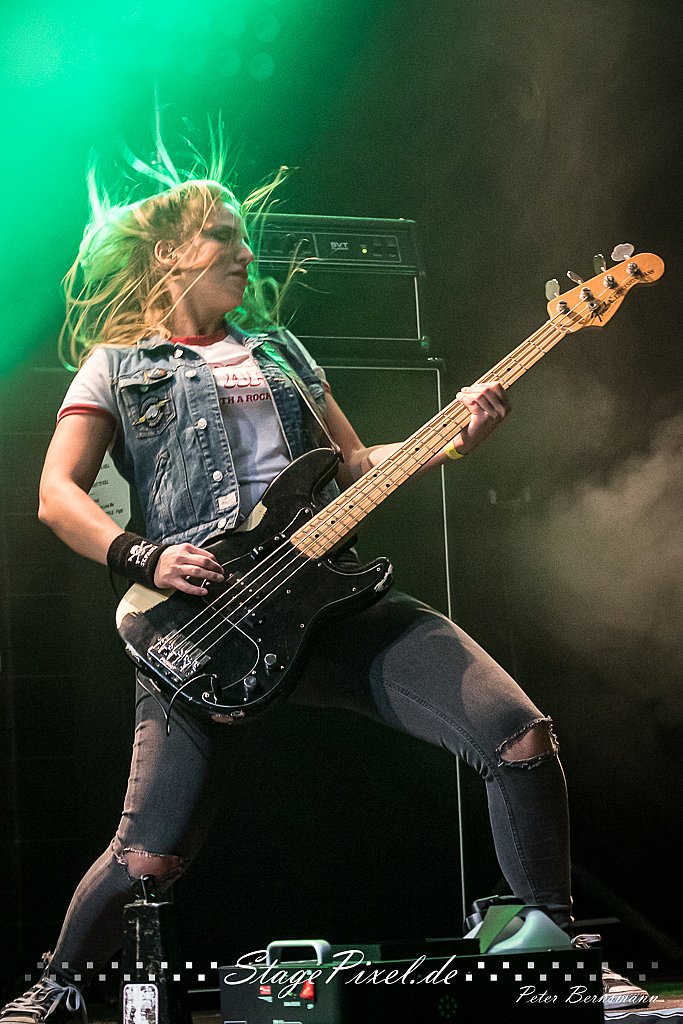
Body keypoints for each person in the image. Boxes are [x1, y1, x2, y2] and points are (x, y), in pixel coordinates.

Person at [0, 151, 645, 1022]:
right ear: (167, 253)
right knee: (147, 857)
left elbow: (352, 465)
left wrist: (452, 437)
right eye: (223, 237)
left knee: (519, 737)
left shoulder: (281, 351)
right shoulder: (117, 364)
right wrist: (143, 557)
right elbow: (56, 494)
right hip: (204, 622)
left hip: (327, 599)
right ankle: (59, 987)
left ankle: (555, 957)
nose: (245, 254)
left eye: (244, 239)